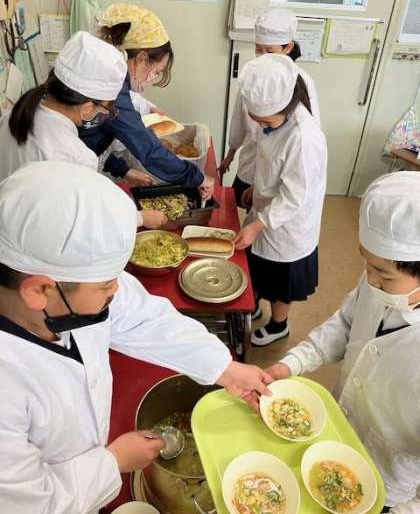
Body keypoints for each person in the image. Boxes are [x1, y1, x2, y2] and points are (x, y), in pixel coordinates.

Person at [0, 161, 272, 514]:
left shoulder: (68, 291)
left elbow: (144, 316)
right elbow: (28, 503)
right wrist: (112, 462)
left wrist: (226, 369)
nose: (116, 289)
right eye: (106, 285)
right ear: (39, 290)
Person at [265, 172, 420, 513]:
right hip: (334, 437)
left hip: (386, 482)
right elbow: (347, 323)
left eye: (384, 274)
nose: (370, 279)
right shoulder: (379, 284)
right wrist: (292, 363)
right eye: (367, 263)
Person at [0, 31, 167, 230]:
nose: (106, 114)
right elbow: (83, 222)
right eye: (107, 109)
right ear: (87, 108)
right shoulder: (74, 154)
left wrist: (123, 170)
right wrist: (138, 218)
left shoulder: (14, 114)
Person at [235, 54, 327, 346]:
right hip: (267, 207)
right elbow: (272, 163)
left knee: (280, 281)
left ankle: (279, 325)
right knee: (259, 266)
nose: (260, 125)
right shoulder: (276, 123)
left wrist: (256, 225)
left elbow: (294, 196)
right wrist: (256, 187)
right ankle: (255, 307)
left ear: (285, 108)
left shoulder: (303, 138)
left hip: (289, 223)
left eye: (264, 120)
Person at [79, 2, 214, 200]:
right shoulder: (111, 88)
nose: (153, 78)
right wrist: (197, 177)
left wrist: (122, 170)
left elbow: (90, 136)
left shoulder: (103, 75)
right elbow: (147, 148)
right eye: (157, 72)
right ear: (141, 59)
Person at [219, 8, 320, 209]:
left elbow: (309, 133)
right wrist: (231, 153)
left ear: (288, 47)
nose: (263, 57)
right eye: (259, 49)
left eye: (269, 51)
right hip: (251, 158)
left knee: (271, 209)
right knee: (247, 207)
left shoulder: (302, 81)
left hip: (280, 167)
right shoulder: (253, 74)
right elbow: (239, 118)